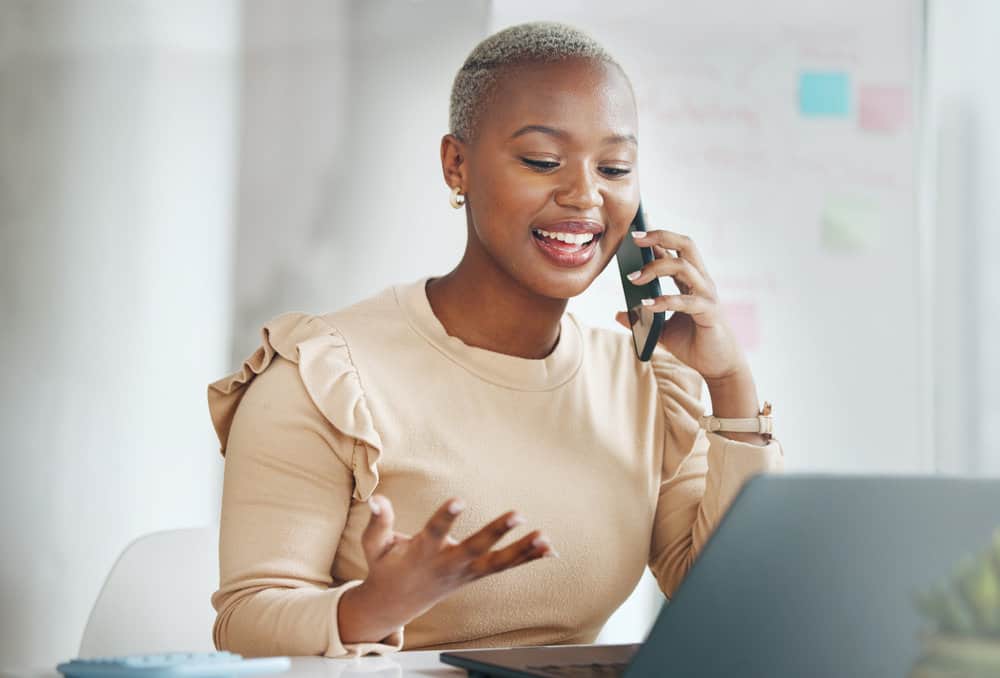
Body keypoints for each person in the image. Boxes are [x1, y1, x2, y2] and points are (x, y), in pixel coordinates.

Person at [207, 21, 784, 659]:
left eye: (615, 167)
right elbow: (247, 621)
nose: (585, 194)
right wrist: (375, 605)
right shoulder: (323, 377)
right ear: (457, 164)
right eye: (542, 161)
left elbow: (734, 601)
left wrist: (730, 384)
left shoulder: (644, 382)